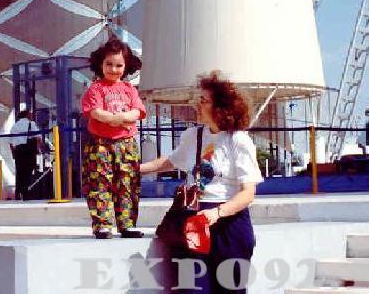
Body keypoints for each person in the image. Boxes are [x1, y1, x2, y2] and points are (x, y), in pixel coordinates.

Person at [140, 72, 263, 293]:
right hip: (194, 221)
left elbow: (248, 193)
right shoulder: (192, 136)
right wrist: (135, 170)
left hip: (229, 225)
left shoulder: (238, 141)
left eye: (204, 100)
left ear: (221, 107)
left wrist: (217, 213)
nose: (198, 104)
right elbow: (171, 161)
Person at [81, 37, 146, 239]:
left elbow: (137, 112)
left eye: (119, 65)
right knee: (99, 183)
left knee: (127, 183)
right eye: (109, 64)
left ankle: (127, 223)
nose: (113, 69)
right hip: (100, 145)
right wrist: (118, 119)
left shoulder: (129, 89)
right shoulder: (96, 89)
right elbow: (95, 112)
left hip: (126, 145)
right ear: (100, 64)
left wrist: (120, 118)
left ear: (126, 67)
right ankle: (102, 224)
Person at [9, 109, 39, 200]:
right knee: (28, 171)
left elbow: (11, 143)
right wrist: (39, 149)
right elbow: (38, 137)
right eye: (30, 114)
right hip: (28, 150)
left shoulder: (14, 126)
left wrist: (14, 154)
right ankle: (26, 193)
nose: (31, 115)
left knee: (19, 172)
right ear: (26, 115)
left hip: (18, 151)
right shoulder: (31, 124)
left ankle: (18, 193)